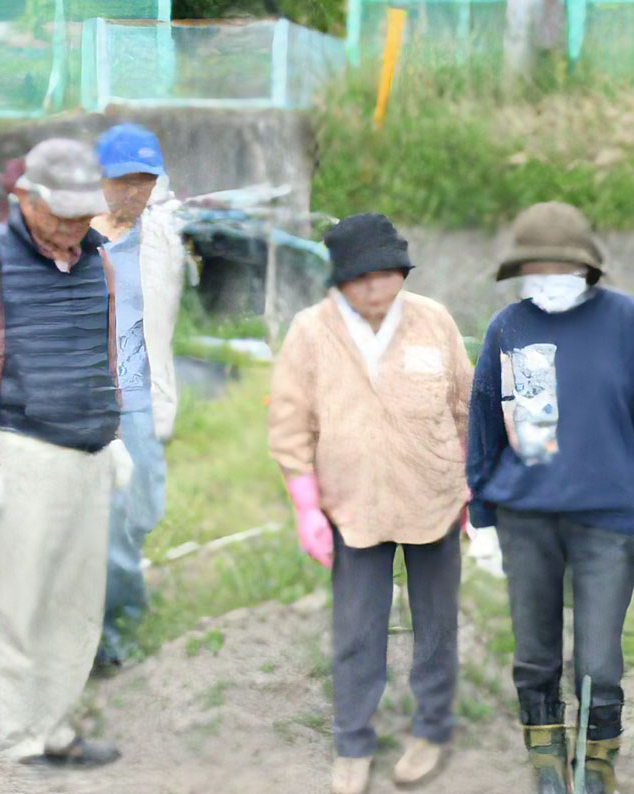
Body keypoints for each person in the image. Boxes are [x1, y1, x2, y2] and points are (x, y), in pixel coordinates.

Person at [466, 202, 634, 794]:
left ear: (586, 268)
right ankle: (546, 760)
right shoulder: (507, 329)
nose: (548, 281)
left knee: (597, 660)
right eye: (534, 270)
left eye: (559, 268)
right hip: (525, 516)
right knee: (535, 653)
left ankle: (596, 763)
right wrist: (482, 518)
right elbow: (484, 423)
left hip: (607, 518)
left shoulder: (629, 325)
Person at [0, 138, 132, 767]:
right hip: (20, 448)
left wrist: (117, 434)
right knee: (18, 602)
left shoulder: (97, 260)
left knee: (76, 601)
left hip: (88, 446)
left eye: (85, 213)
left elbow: (106, 351)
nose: (76, 226)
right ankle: (15, 740)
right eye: (63, 213)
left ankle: (53, 726)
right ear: (25, 198)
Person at [268, 214, 471, 794]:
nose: (377, 288)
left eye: (388, 275)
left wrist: (471, 489)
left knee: (436, 624)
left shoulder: (433, 320)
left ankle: (431, 728)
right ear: (339, 282)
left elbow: (464, 406)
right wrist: (307, 507)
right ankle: (353, 742)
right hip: (350, 503)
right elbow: (290, 426)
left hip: (432, 493)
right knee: (359, 628)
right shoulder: (311, 331)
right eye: (363, 279)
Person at [90, 123, 174, 668]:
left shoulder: (162, 237)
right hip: (94, 400)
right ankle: (111, 635)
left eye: (146, 180)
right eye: (124, 180)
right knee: (110, 522)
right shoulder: (74, 239)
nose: (135, 192)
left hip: (146, 398)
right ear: (99, 179)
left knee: (143, 512)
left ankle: (117, 607)